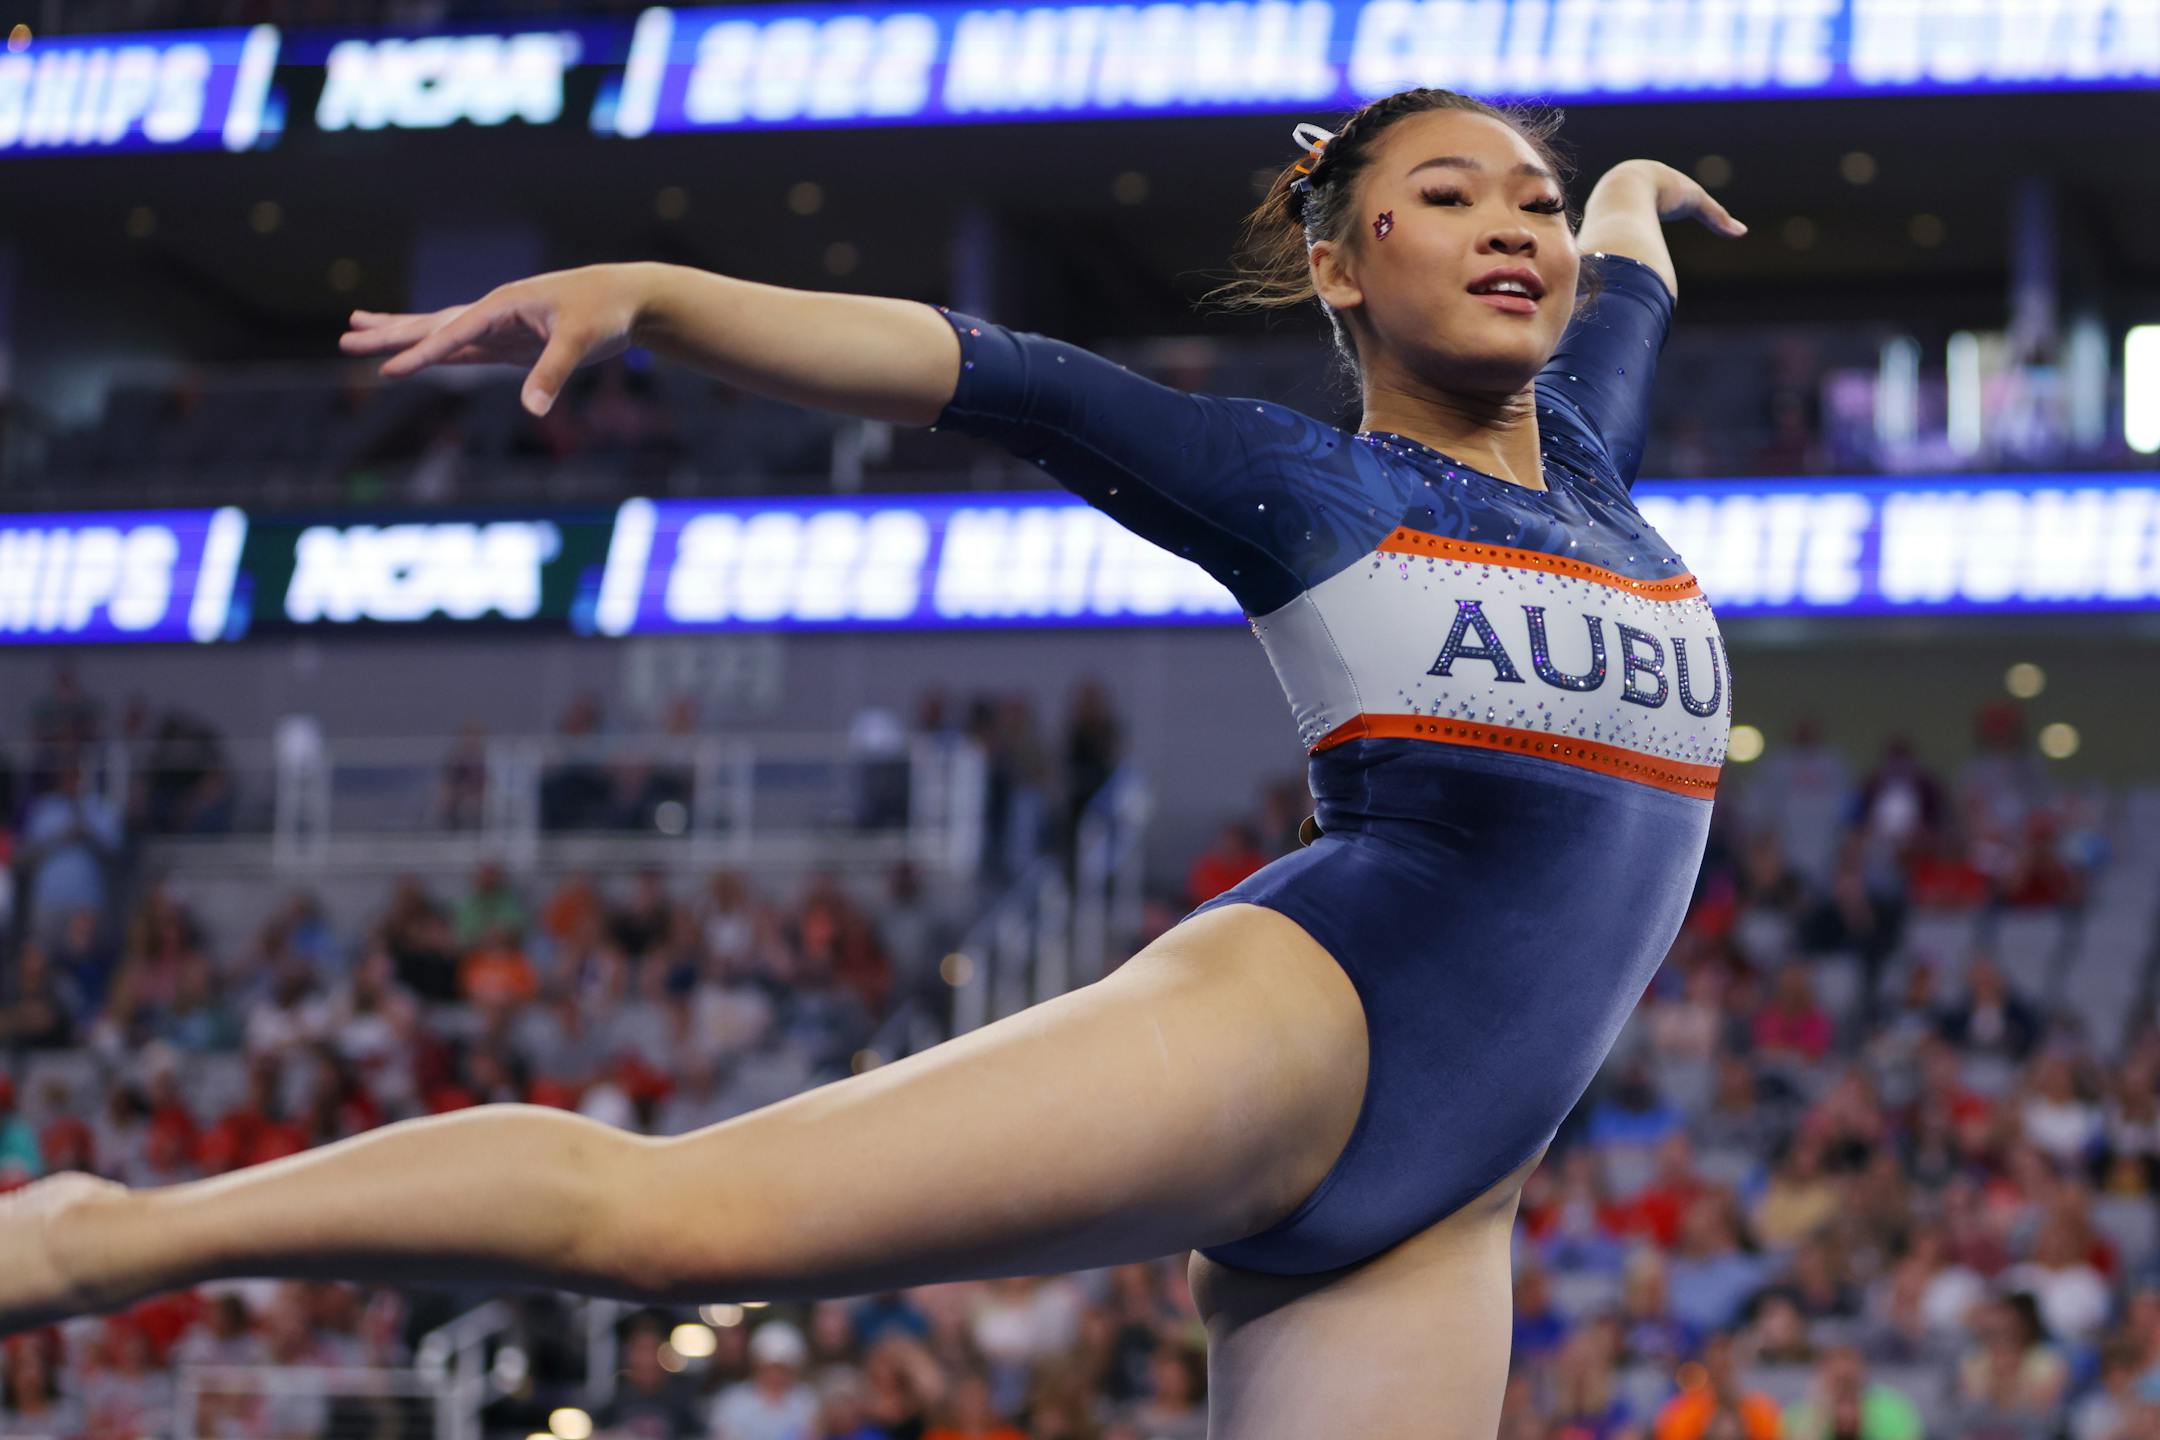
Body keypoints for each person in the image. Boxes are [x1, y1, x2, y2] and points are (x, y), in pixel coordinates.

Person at [0, 88, 1743, 1437]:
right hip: (1312, 1027)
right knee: (674, 1224)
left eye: (1529, 207)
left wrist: (1619, 197)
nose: (1511, 231)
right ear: (1342, 266)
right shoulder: (1302, 482)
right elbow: (993, 374)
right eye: (1445, 198)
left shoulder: (1594, 464)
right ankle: (105, 1238)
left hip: (1457, 1195)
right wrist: (662, 294)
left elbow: (1630, 272)